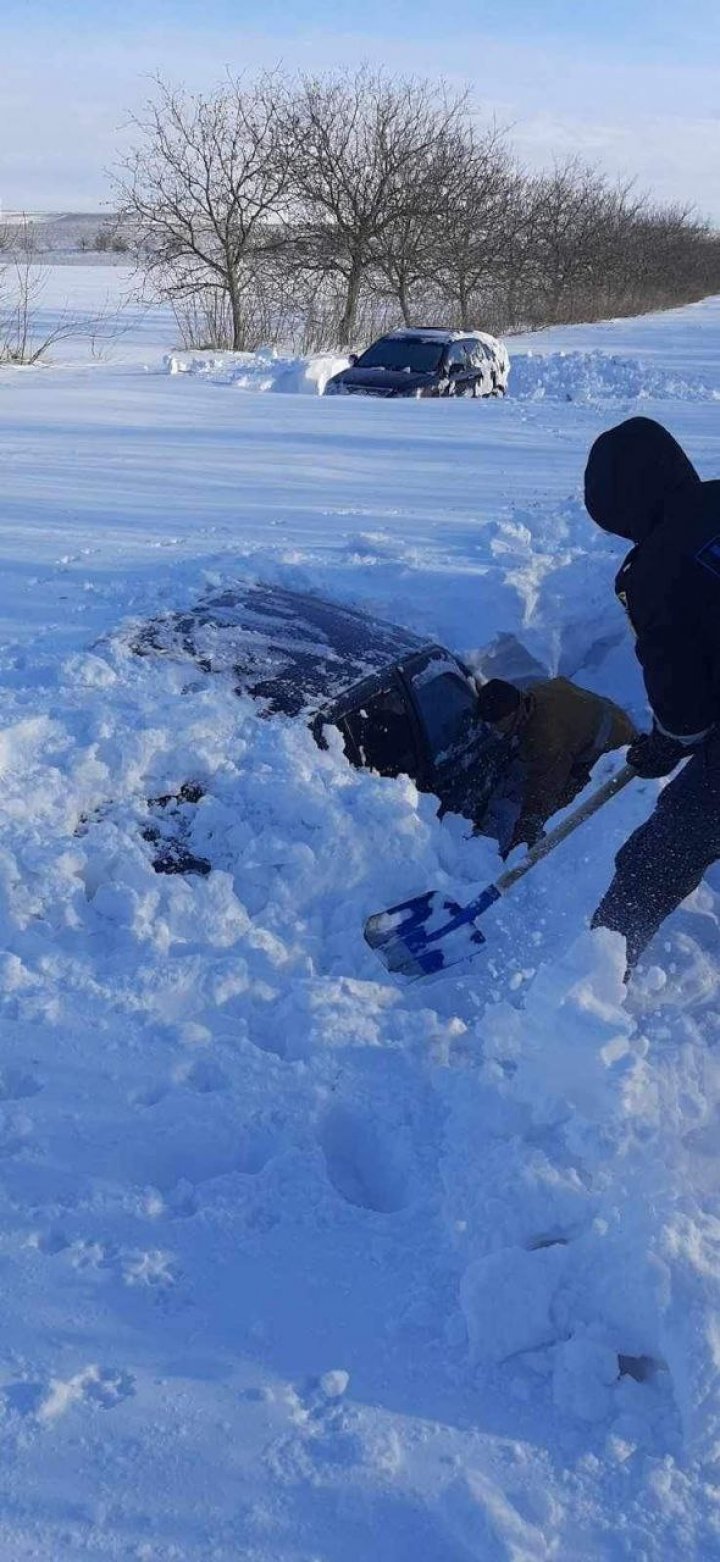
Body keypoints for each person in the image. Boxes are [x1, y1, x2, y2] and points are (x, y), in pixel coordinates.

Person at [583, 415, 720, 967]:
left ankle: (587, 986)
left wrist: (665, 743)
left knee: (656, 860)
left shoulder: (656, 570)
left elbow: (685, 710)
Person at [476, 674, 636, 855]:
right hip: (610, 718)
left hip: (614, 748)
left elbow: (542, 793)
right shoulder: (536, 693)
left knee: (565, 805)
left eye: (497, 724)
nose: (494, 730)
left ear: (512, 714)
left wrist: (520, 845)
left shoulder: (547, 738)